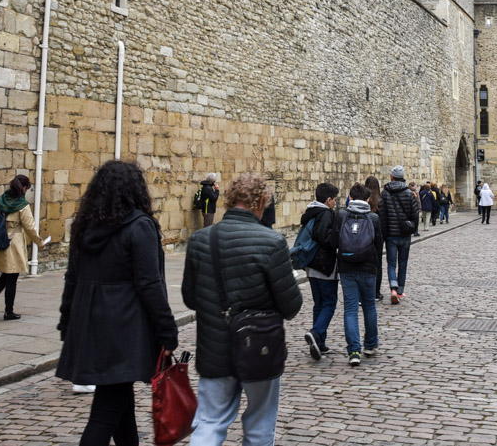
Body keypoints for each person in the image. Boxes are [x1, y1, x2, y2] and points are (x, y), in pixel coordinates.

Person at [56, 160, 178, 446]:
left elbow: (71, 279)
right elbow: (150, 284)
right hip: (123, 328)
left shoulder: (84, 227)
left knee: (120, 402)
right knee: (106, 410)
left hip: (90, 324)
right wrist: (167, 329)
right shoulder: (140, 227)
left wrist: (66, 319)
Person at [182, 173, 302, 446]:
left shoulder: (201, 240)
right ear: (261, 202)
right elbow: (291, 305)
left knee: (209, 422)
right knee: (260, 424)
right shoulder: (272, 243)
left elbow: (190, 298)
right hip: (259, 347)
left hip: (214, 347)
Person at [0, 175, 47, 321]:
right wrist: (39, 242)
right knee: (12, 276)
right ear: (23, 188)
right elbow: (29, 227)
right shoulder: (22, 205)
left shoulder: (0, 200)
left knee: (6, 275)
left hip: (0, 239)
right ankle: (8, 311)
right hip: (14, 242)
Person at [336, 183, 381, 366]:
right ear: (368, 199)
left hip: (347, 268)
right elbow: (379, 246)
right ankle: (370, 345)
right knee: (369, 306)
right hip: (368, 268)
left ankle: (354, 350)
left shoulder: (341, 215)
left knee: (350, 309)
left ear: (350, 198)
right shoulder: (374, 218)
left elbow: (335, 240)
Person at [299, 183, 339, 361]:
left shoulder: (311, 212)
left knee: (319, 304)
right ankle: (316, 333)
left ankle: (319, 343)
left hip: (311, 265)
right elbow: (325, 238)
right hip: (324, 265)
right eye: (335, 200)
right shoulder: (326, 213)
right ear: (328, 200)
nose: (336, 204)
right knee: (330, 303)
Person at [377, 166, 419, 305]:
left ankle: (393, 288)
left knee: (391, 263)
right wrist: (413, 229)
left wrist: (383, 234)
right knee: (403, 263)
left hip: (390, 235)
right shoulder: (409, 193)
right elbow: (415, 214)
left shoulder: (385, 193)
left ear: (392, 177)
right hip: (405, 234)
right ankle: (400, 291)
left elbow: (382, 216)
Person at [364, 175, 383, 302]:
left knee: (364, 264)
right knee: (377, 264)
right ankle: (376, 292)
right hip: (377, 236)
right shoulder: (380, 200)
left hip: (363, 236)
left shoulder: (364, 199)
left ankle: (364, 292)